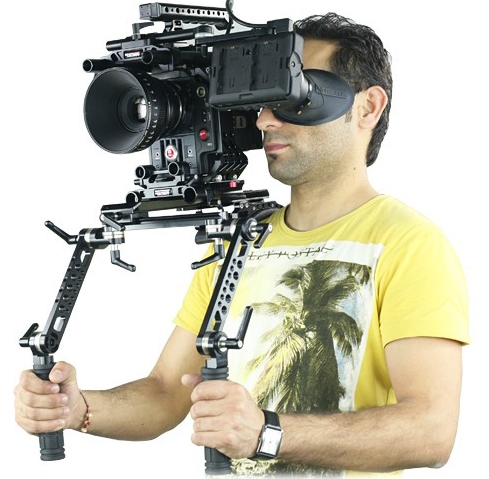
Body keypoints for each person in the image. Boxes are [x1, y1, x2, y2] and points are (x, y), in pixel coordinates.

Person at [13, 12, 469, 478]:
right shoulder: (238, 237)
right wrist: (78, 408)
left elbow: (431, 431)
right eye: (264, 100)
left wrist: (265, 434)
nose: (264, 119)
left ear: (368, 107)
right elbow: (167, 391)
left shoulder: (409, 244)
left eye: (294, 94)